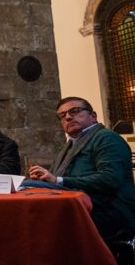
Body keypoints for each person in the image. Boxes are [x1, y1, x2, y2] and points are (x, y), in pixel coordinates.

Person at [29, 97, 135, 240]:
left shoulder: (107, 138)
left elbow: (110, 179)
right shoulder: (69, 145)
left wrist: (58, 180)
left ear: (93, 116)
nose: (67, 117)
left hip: (108, 212)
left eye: (75, 111)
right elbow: (54, 179)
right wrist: (43, 179)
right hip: (78, 207)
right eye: (62, 115)